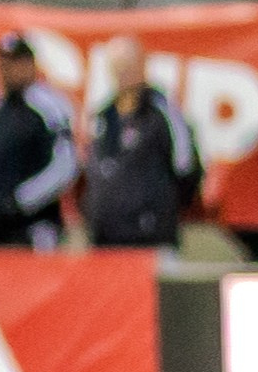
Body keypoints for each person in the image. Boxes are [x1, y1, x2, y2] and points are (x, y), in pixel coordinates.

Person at [0, 31, 82, 250]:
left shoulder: (47, 106)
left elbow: (65, 164)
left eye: (13, 62)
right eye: (1, 62)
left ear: (30, 65)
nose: (4, 69)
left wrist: (18, 202)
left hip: (28, 229)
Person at [83, 36, 201, 250]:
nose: (123, 73)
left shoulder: (163, 113)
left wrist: (157, 211)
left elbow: (186, 167)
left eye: (128, 65)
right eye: (117, 66)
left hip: (150, 237)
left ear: (143, 65)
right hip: (105, 237)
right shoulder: (104, 116)